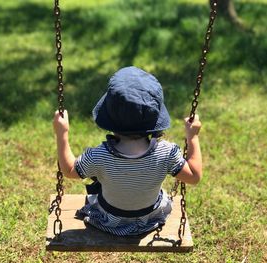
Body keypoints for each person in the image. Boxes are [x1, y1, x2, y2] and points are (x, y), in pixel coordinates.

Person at [53, 66, 202, 236]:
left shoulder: (100, 155)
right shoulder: (166, 153)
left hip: (109, 219)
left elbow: (70, 170)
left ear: (110, 118)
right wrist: (193, 137)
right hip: (149, 218)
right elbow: (194, 176)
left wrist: (61, 133)